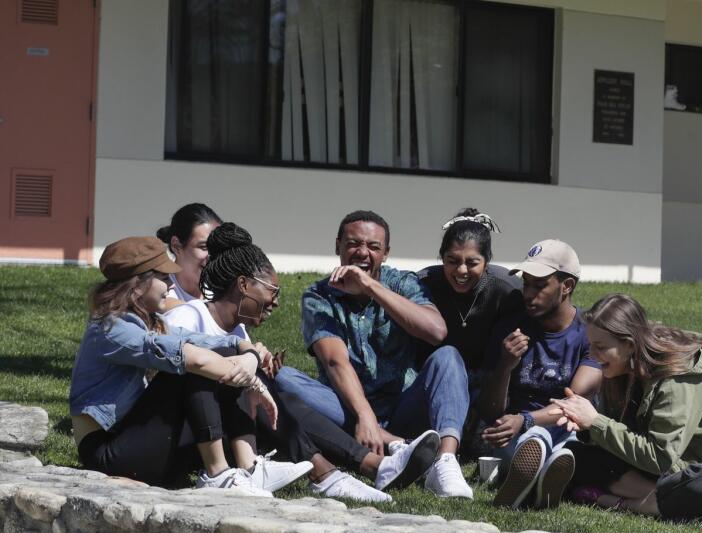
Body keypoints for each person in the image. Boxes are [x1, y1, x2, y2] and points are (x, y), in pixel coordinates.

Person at [163, 223, 436, 502]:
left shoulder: (238, 332)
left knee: (276, 388)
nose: (276, 303)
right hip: (180, 438)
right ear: (243, 285)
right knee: (260, 383)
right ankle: (329, 474)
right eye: (272, 291)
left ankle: (366, 467)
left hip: (222, 433)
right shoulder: (187, 317)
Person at [69, 236, 302, 495]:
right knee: (188, 366)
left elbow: (215, 342)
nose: (170, 284)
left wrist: (248, 355)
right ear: (137, 285)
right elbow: (192, 357)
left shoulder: (151, 323)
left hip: (137, 444)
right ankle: (218, 475)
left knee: (212, 353)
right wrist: (252, 379)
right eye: (163, 277)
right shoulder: (110, 329)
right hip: (107, 454)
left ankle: (250, 468)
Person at [551, 294, 702, 525]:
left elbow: (660, 457)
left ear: (629, 344)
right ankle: (658, 500)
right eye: (590, 346)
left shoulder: (678, 375)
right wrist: (586, 426)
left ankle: (626, 502)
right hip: (669, 474)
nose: (592, 355)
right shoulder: (619, 370)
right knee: (576, 454)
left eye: (600, 347)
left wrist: (596, 422)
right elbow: (626, 440)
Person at [286, 210, 474, 499]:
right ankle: (400, 445)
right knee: (283, 378)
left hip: (404, 406)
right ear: (337, 246)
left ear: (386, 253)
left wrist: (371, 287)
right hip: (346, 411)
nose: (362, 252)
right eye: (353, 244)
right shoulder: (318, 295)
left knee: (448, 357)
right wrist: (365, 416)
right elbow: (334, 360)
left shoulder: (401, 283)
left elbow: (436, 331)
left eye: (373, 247)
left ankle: (444, 463)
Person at [478, 239, 602, 509]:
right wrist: (505, 365)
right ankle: (544, 474)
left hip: (564, 427)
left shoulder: (589, 333)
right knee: (527, 442)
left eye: (540, 285)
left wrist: (526, 421)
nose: (528, 293)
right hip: (514, 433)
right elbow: (490, 411)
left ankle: (540, 469)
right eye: (526, 284)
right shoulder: (512, 327)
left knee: (563, 443)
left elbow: (575, 401)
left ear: (566, 286)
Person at [416, 208, 522, 382]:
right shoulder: (423, 285)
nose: (461, 271)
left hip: (487, 384)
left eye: (472, 263)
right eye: (452, 261)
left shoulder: (506, 290)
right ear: (442, 258)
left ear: (487, 261)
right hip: (434, 380)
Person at [157, 203, 221, 311]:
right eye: (204, 247)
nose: (214, 255)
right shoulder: (160, 294)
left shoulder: (226, 291)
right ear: (176, 246)